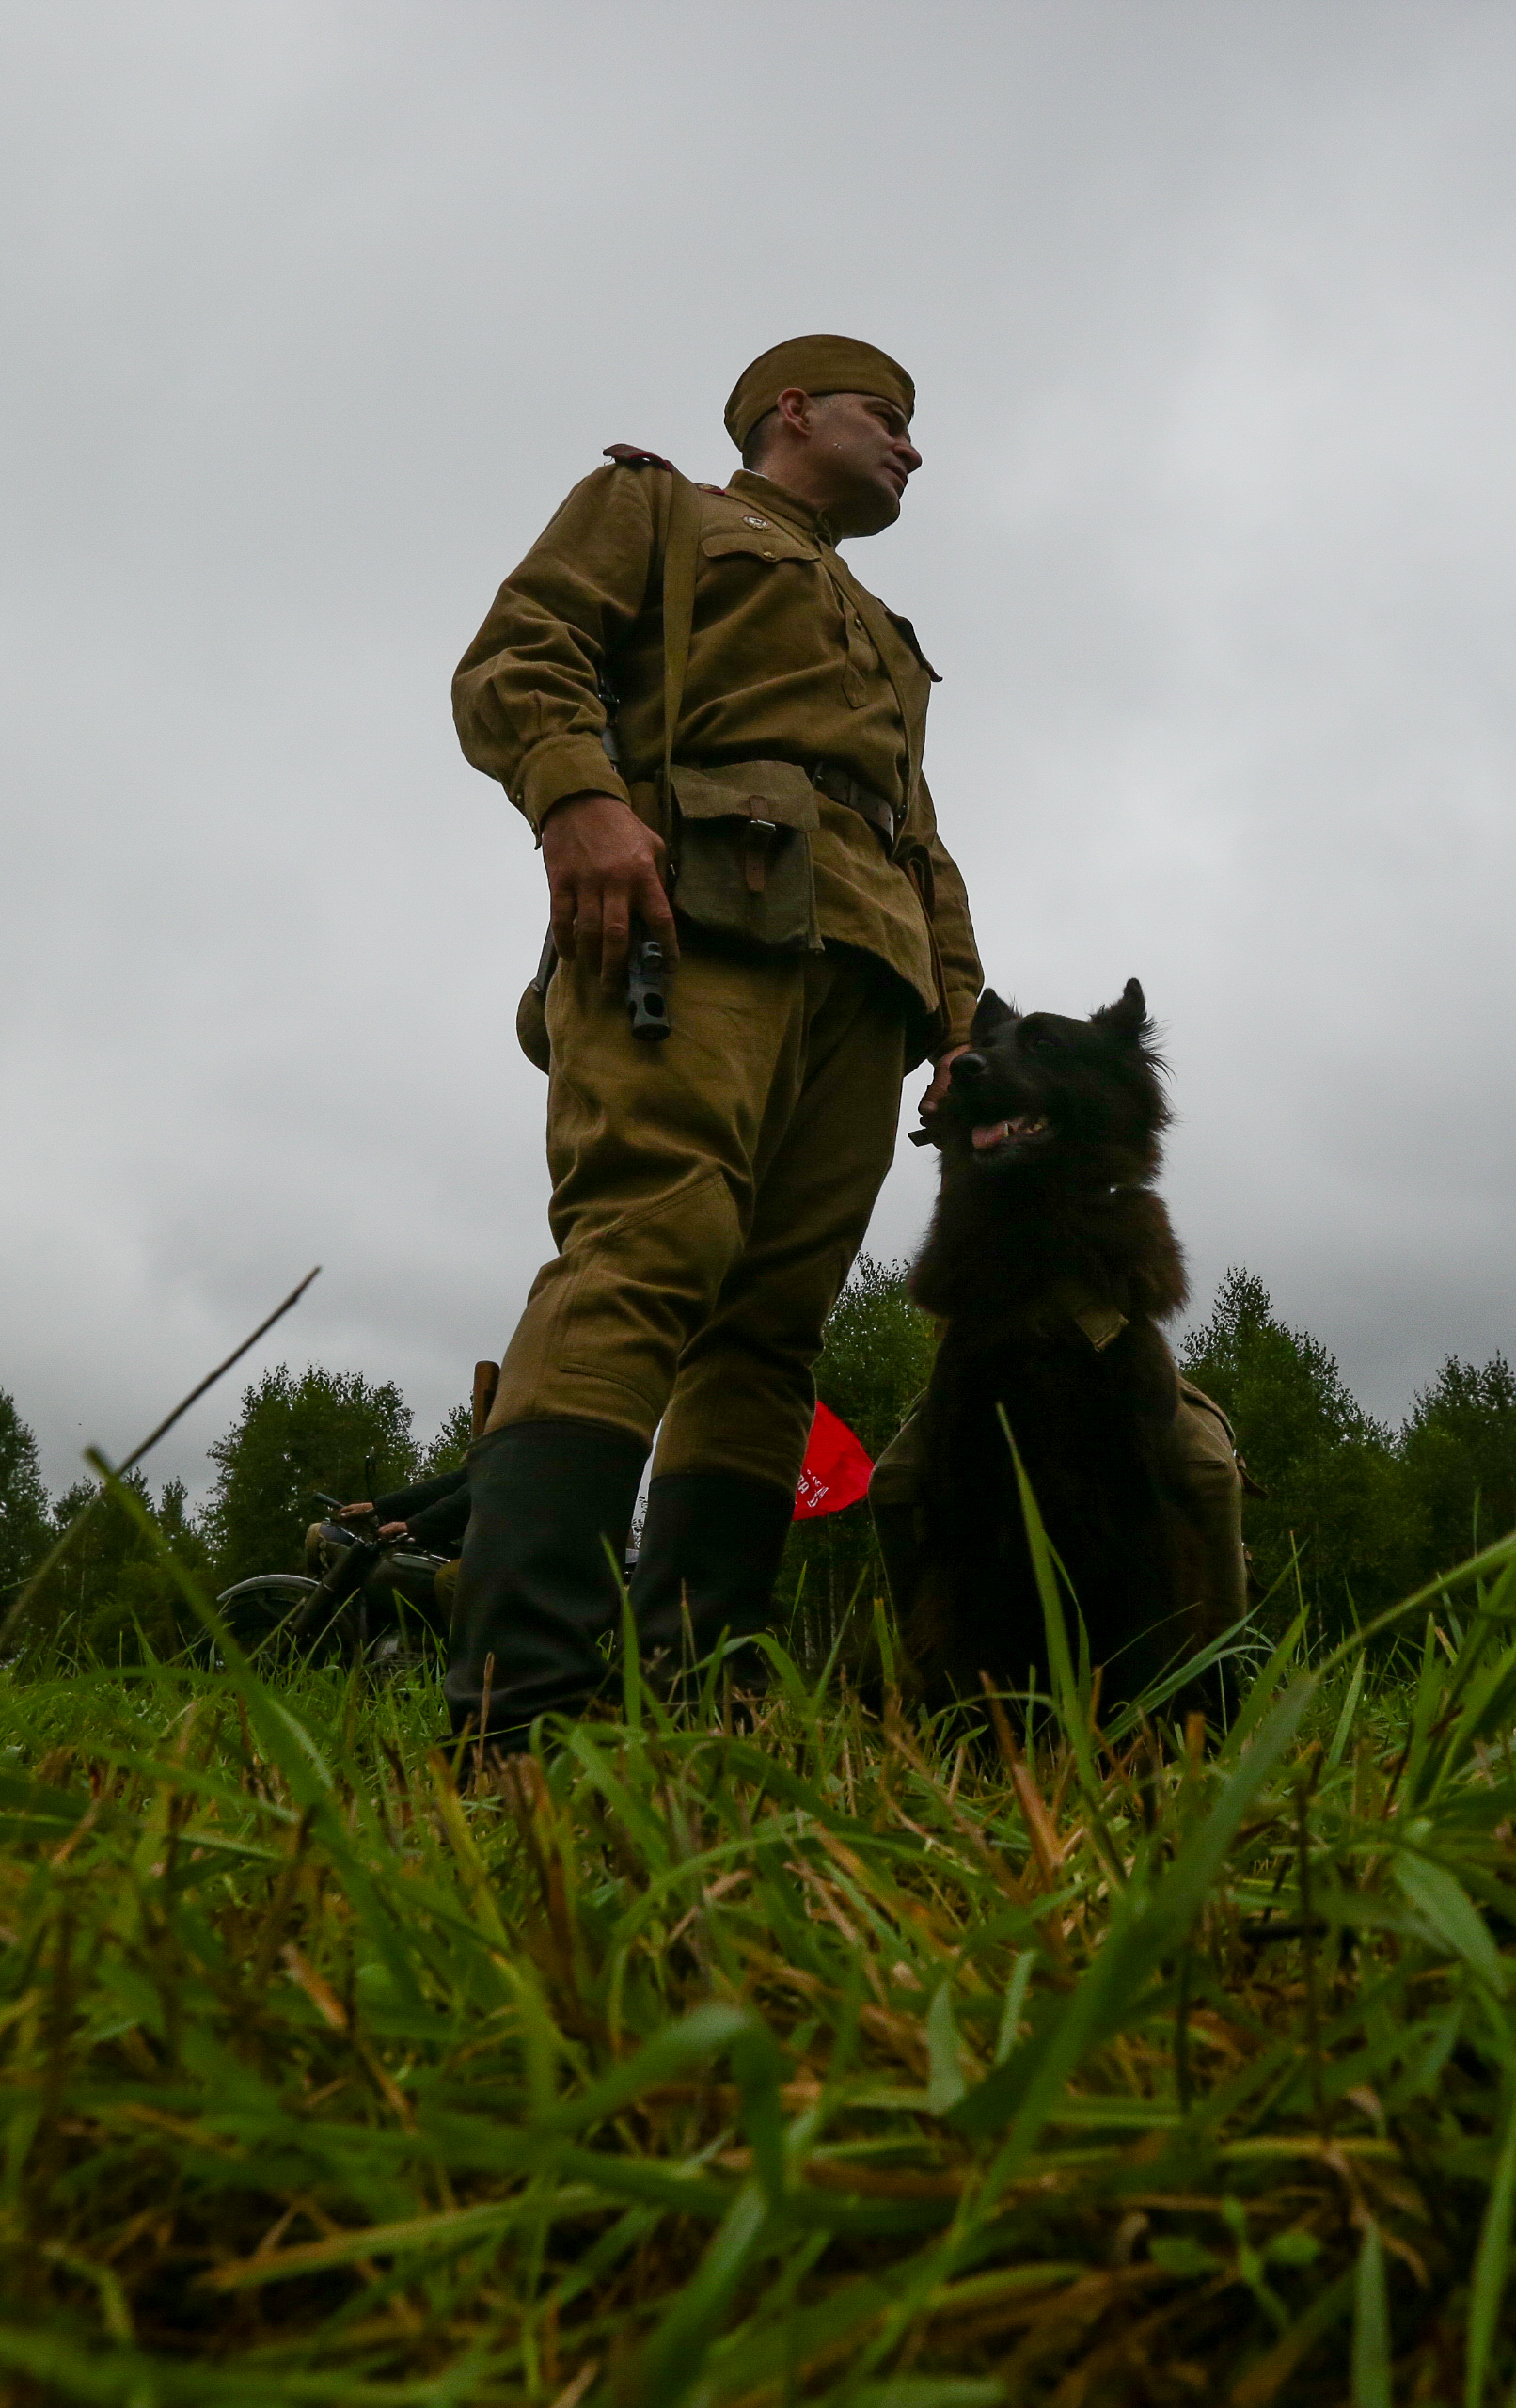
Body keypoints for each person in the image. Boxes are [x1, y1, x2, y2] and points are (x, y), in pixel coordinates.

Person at [445, 336, 982, 1749]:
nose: (913, 449)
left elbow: (916, 837)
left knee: (773, 1332)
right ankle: (526, 1707)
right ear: (791, 411)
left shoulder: (883, 630)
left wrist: (962, 1024)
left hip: (865, 974)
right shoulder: (659, 509)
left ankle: (706, 1698)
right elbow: (520, 654)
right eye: (890, 418)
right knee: (646, 1249)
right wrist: (577, 801)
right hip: (691, 921)